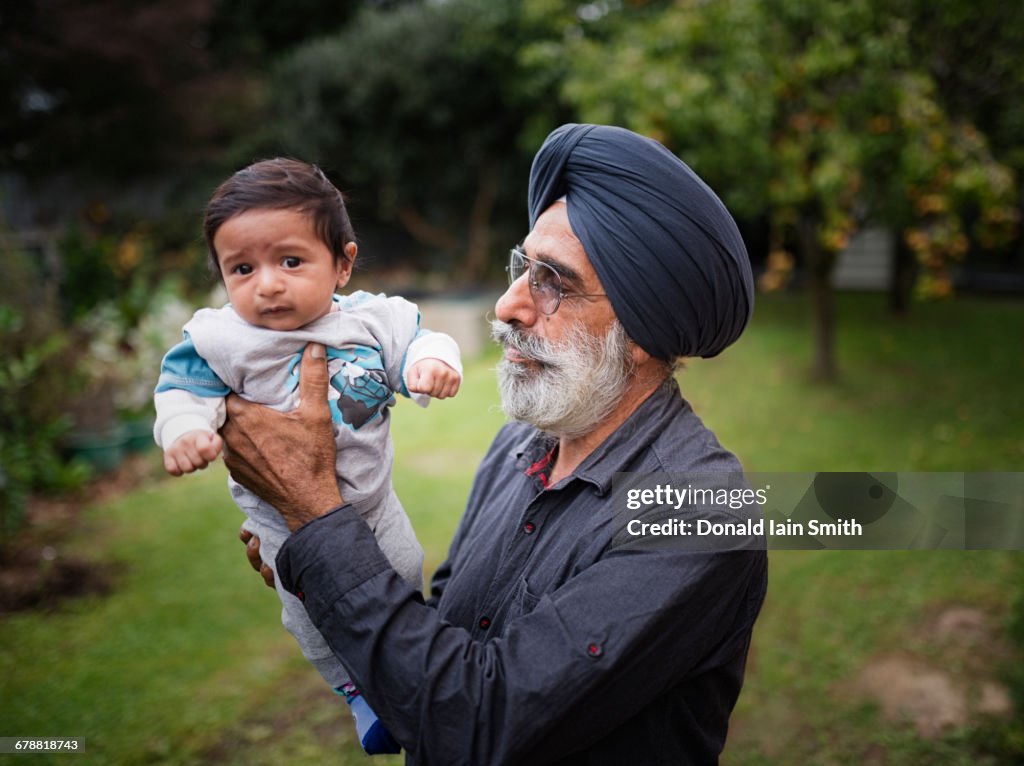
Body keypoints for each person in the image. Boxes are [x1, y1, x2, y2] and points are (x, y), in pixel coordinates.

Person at [226, 125, 768, 765]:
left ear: (644, 330)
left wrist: (317, 516)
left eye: (553, 283)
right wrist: (321, 563)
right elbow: (440, 639)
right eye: (523, 268)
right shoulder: (523, 444)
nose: (509, 304)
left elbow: (475, 727)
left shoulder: (704, 513)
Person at [153, 158, 462, 755]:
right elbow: (178, 390)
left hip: (373, 502)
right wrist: (186, 429)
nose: (266, 284)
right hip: (280, 519)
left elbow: (421, 337)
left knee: (403, 568)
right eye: (241, 269)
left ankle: (407, 665)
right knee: (307, 610)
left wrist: (430, 363)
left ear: (342, 264)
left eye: (290, 261)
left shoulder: (371, 320)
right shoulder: (222, 340)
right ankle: (355, 690)